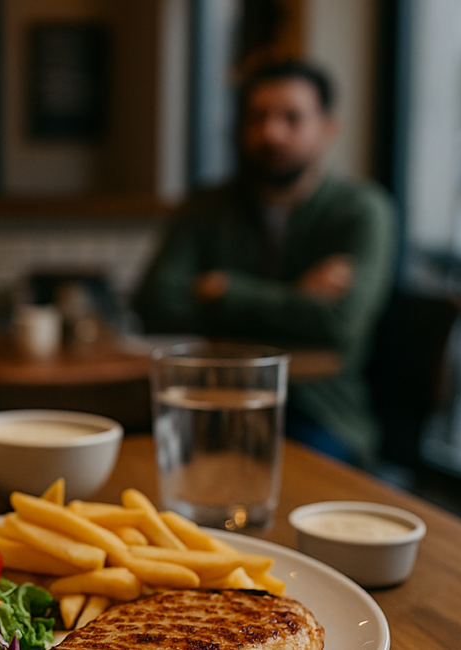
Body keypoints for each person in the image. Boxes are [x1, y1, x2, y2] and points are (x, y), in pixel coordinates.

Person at [132, 60, 396, 466]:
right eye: (258, 117)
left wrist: (226, 292)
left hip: (320, 413)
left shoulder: (361, 211)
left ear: (328, 127)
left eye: (292, 118)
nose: (271, 133)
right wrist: (297, 300)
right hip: (209, 402)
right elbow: (153, 304)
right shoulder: (206, 207)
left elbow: (340, 324)